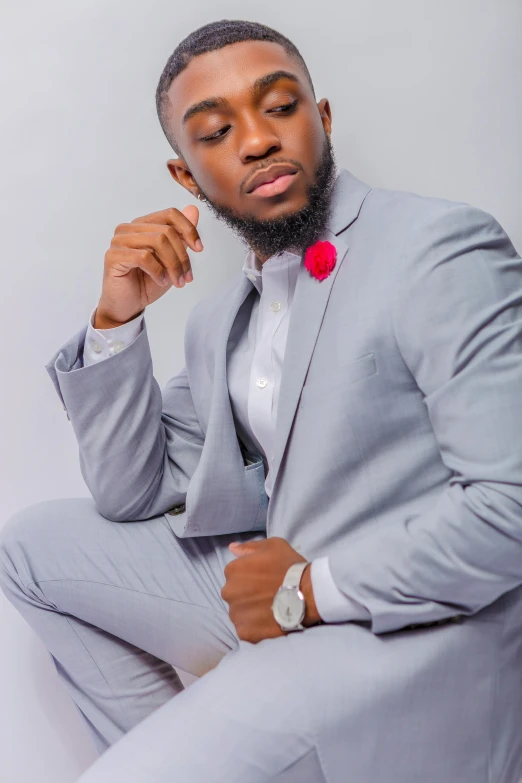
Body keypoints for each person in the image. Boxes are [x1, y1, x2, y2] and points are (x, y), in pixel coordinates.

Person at [1, 17, 522, 783]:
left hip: (409, 630)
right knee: (34, 545)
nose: (256, 140)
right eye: (215, 131)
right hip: (281, 604)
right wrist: (117, 320)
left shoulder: (436, 247)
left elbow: (511, 509)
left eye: (280, 107)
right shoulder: (221, 322)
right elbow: (129, 491)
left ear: (323, 118)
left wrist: (307, 591)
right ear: (186, 175)